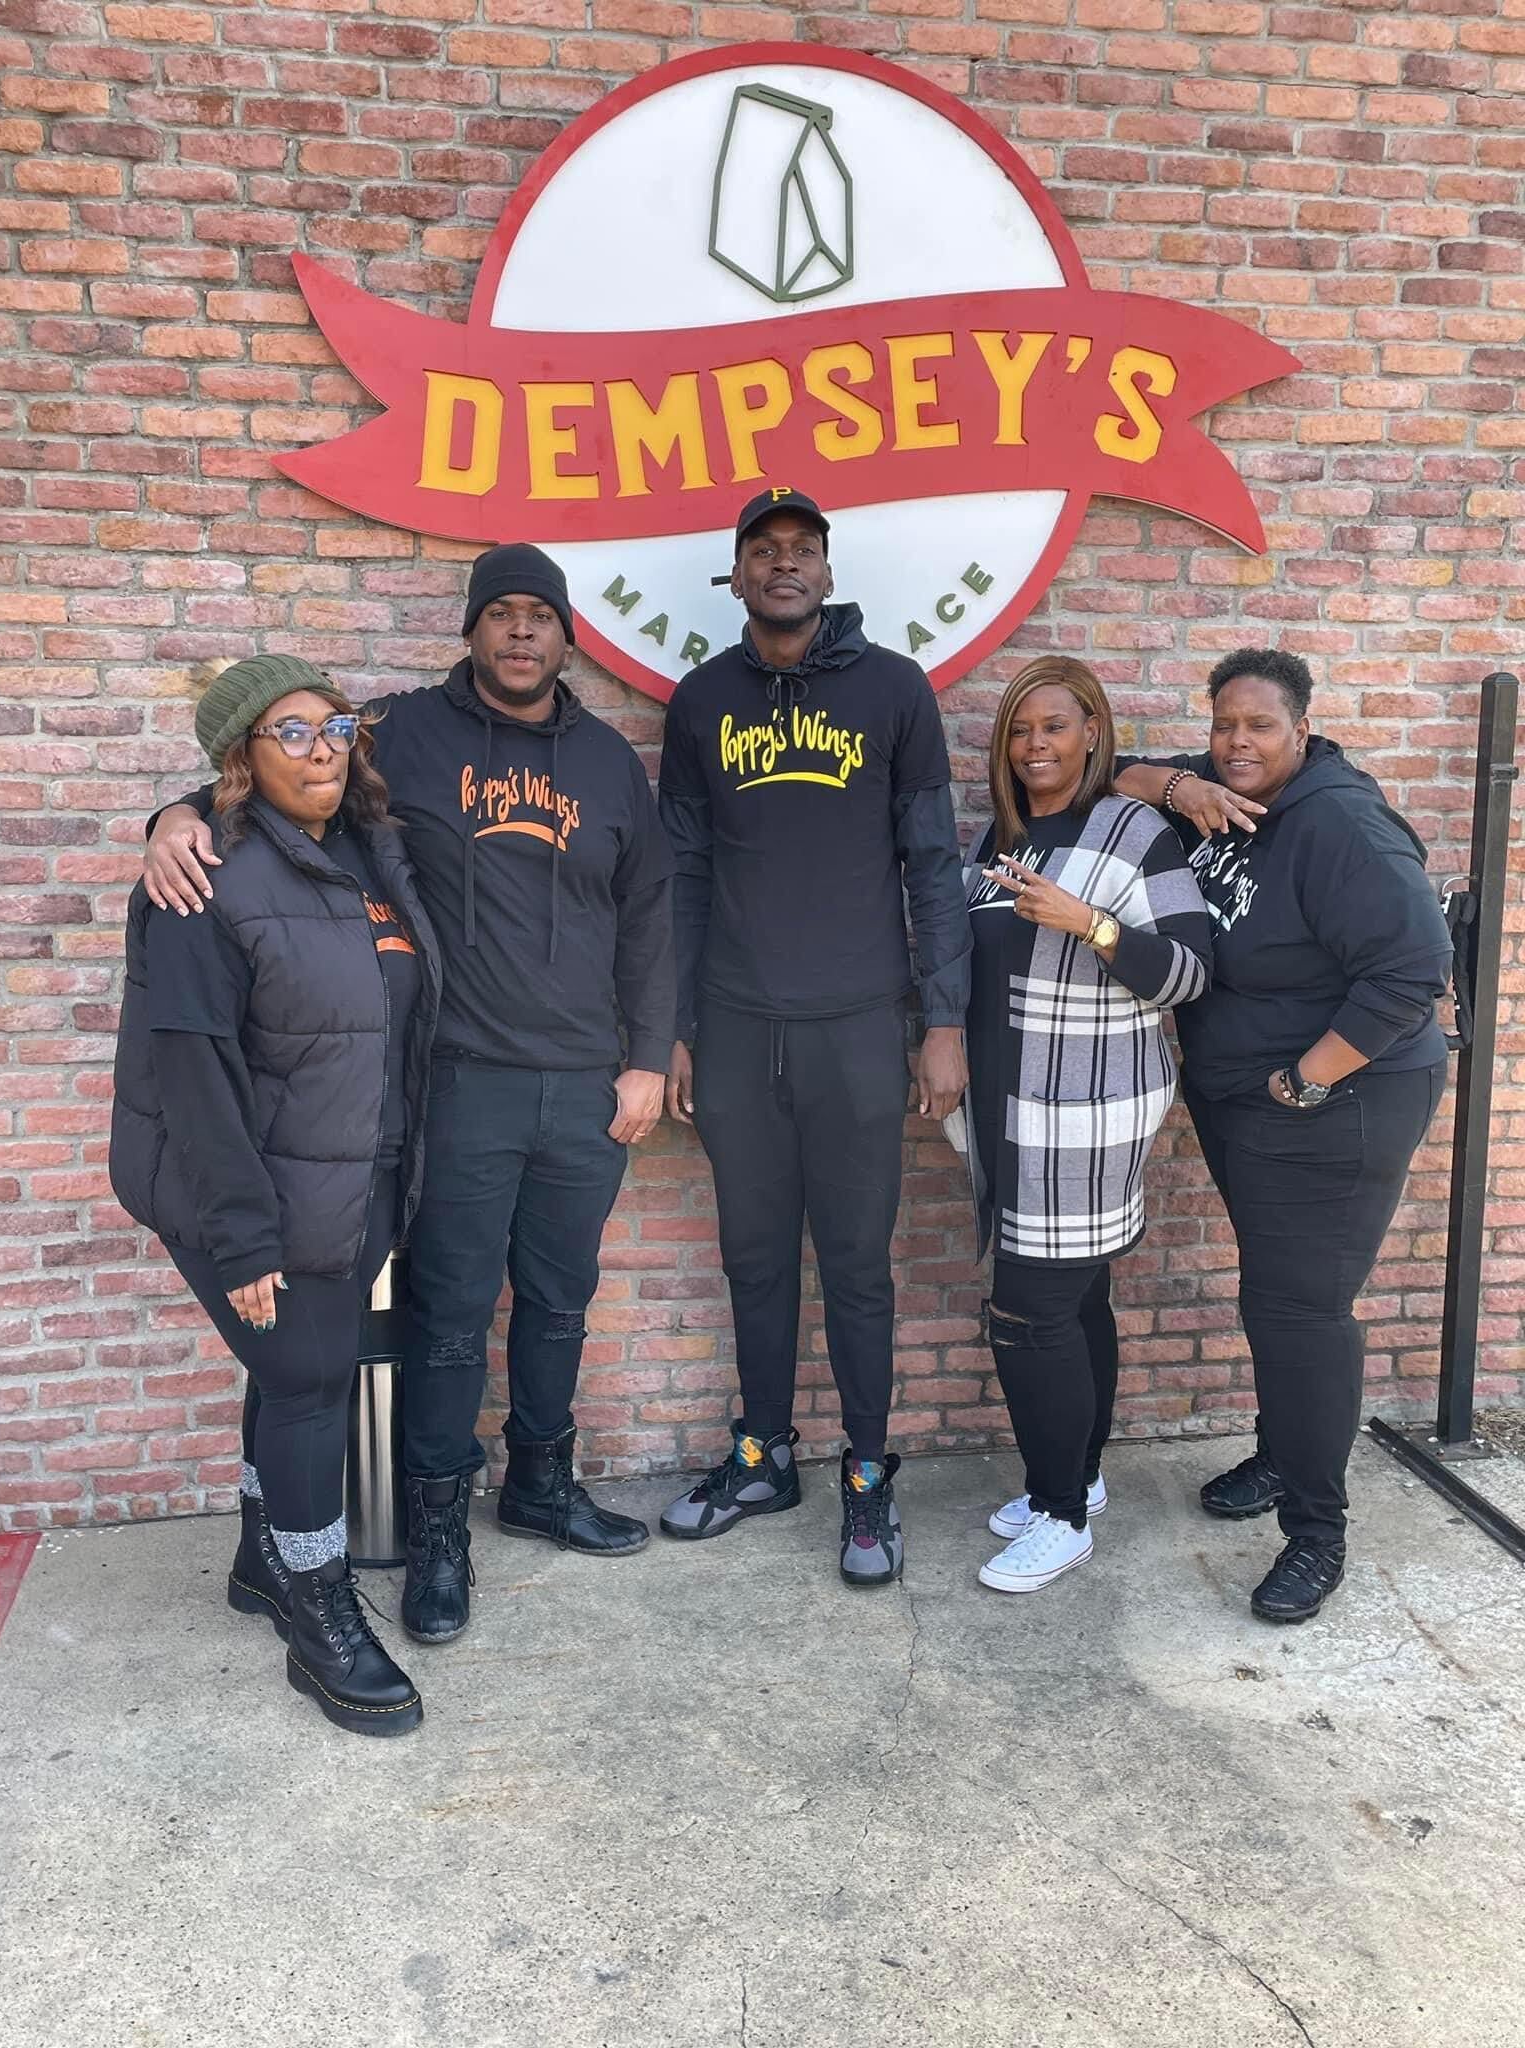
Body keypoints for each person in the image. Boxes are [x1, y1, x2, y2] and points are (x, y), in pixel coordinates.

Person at [142, 547, 676, 1647]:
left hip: (586, 1086)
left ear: (566, 636)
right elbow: (284, 758)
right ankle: (439, 1529)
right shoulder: (400, 730)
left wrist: (644, 1057)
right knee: (449, 1318)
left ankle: (540, 1479)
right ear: (473, 630)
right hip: (461, 1084)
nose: (522, 632)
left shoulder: (613, 765)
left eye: (541, 615)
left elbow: (654, 911)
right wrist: (176, 813)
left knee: (562, 1299)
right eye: (502, 614)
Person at [111, 656, 442, 1736]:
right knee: (307, 1379)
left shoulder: (361, 851)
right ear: (238, 758)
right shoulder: (203, 877)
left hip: (350, 1174)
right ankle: (317, 1604)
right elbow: (191, 1070)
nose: (322, 751)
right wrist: (245, 1236)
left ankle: (262, 1558)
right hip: (250, 1187)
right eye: (290, 732)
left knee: (291, 1367)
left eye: (337, 728)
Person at [655, 487, 972, 1587]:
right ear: (737, 577)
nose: (784, 565)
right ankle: (761, 1451)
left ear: (828, 573)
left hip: (855, 1024)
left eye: (803, 550)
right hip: (739, 1027)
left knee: (856, 1264)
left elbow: (931, 862)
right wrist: (677, 1026)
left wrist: (943, 1020)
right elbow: (682, 872)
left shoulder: (895, 690)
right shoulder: (701, 701)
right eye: (764, 551)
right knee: (752, 1255)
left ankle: (869, 1473)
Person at [1116, 648, 1453, 1622]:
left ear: (1302, 729)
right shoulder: (1225, 790)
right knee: (1274, 1297)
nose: (1237, 742)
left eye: (1258, 726)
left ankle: (1318, 1532)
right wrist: (1181, 781)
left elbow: (1415, 967)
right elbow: (1114, 772)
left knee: (1303, 1310)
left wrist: (1305, 1079)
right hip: (1248, 1102)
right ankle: (1283, 1448)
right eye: (1223, 725)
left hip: (1336, 1103)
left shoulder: (1341, 823)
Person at [965, 657, 1211, 1595]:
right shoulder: (1010, 832)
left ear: (1093, 734)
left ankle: (1058, 1513)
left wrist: (1093, 924)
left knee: (1026, 1316)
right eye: (1022, 731)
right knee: (1077, 1304)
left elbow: (1190, 970)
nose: (1037, 746)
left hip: (1087, 1112)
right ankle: (1083, 1479)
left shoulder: (1134, 830)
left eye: (1056, 727)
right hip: (1013, 1112)